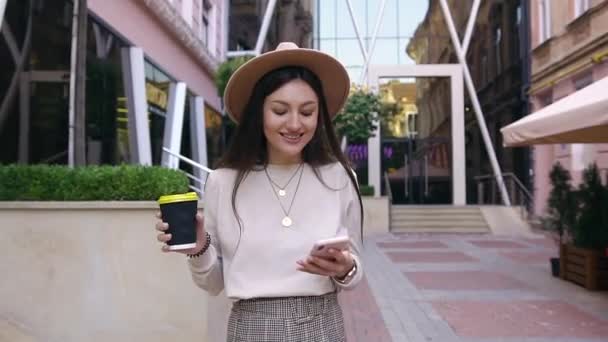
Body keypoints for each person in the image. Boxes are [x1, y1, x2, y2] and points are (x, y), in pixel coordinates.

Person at [155, 42, 364, 341]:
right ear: (259, 113)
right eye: (280, 110)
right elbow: (214, 283)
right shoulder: (223, 182)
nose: (295, 123)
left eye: (307, 112)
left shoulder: (341, 178)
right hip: (252, 328)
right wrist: (198, 248)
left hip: (324, 326)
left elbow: (355, 270)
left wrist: (344, 268)